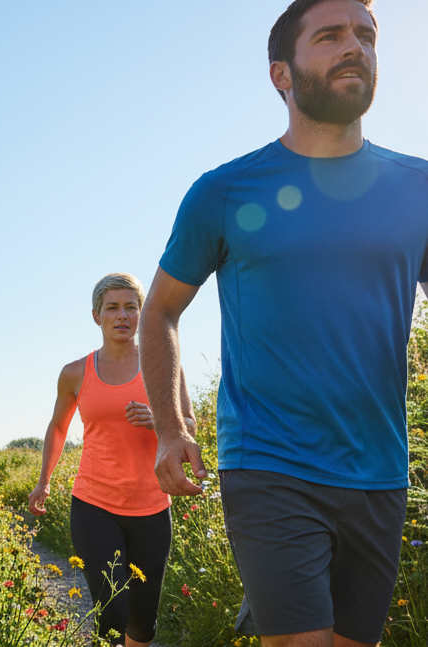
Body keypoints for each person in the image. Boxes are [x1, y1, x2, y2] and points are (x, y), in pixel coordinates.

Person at [140, 1, 427, 646]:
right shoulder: (224, 192)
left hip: (380, 468)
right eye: (330, 35)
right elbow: (160, 311)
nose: (354, 46)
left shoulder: (419, 188)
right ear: (281, 74)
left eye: (366, 35)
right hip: (271, 462)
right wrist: (171, 428)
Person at [28, 272, 196, 647]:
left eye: (131, 307)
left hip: (151, 505)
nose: (122, 315)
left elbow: (189, 426)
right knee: (111, 613)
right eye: (112, 308)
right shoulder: (75, 373)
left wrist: (160, 420)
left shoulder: (164, 367)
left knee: (143, 623)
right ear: (97, 316)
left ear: (142, 314)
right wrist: (43, 482)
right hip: (93, 503)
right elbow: (58, 428)